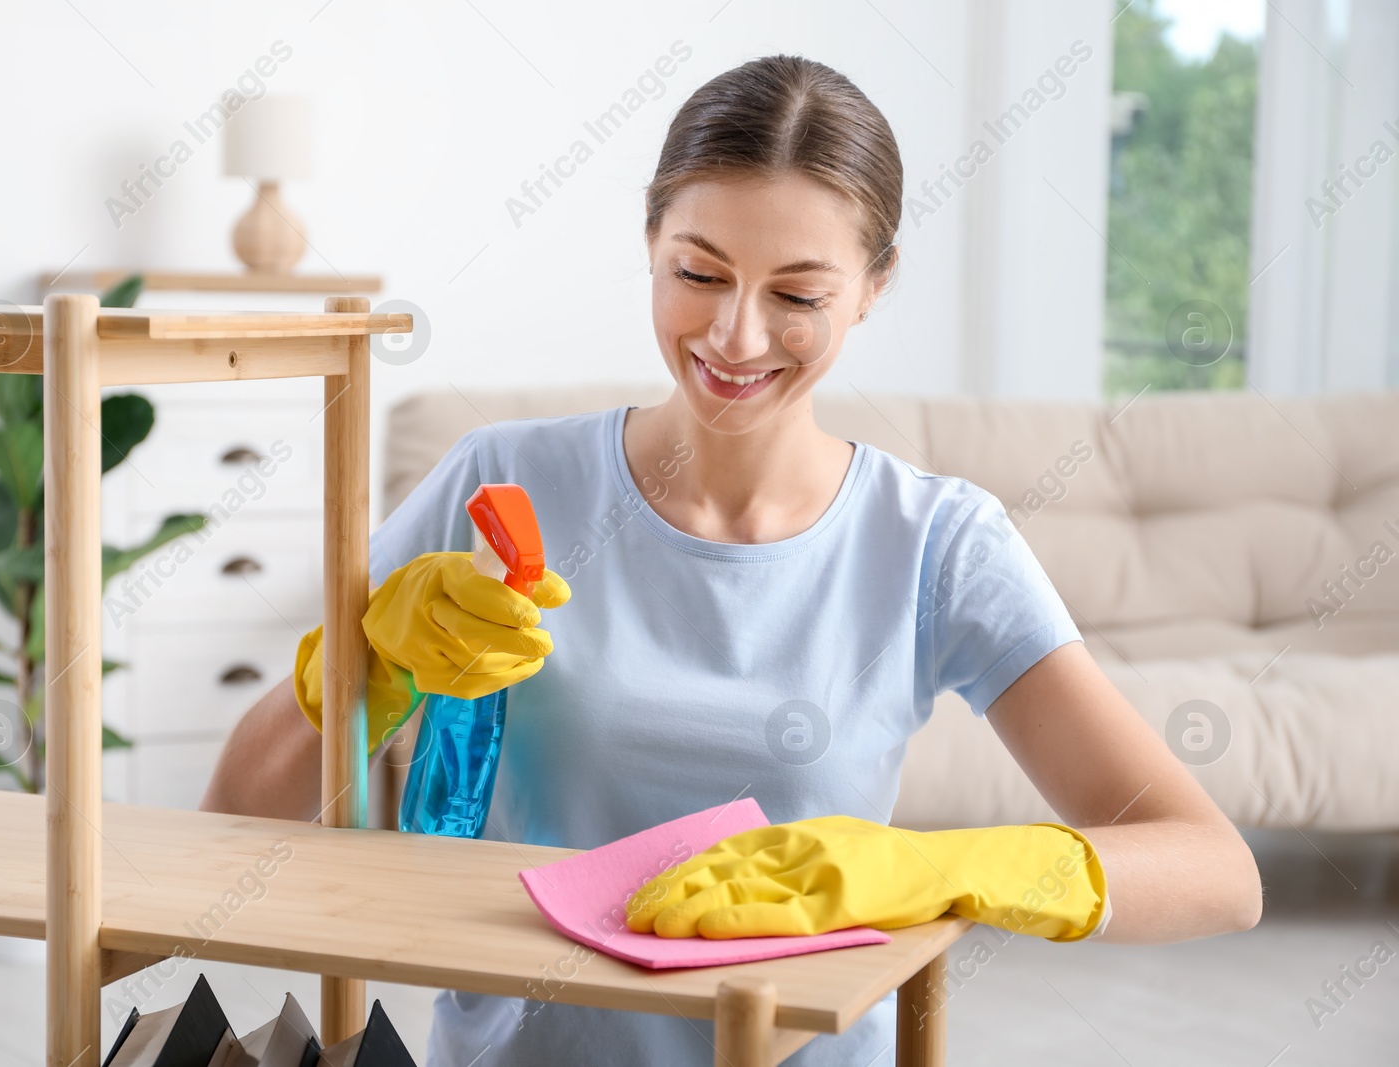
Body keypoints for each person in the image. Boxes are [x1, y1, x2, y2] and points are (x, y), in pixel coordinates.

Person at [199, 53, 1262, 1066]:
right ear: (651, 240)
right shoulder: (498, 484)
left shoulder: (937, 542)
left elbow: (1213, 869)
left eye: (798, 294)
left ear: (874, 285)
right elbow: (236, 816)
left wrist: (944, 868)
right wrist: (363, 666)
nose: (735, 336)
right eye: (697, 273)